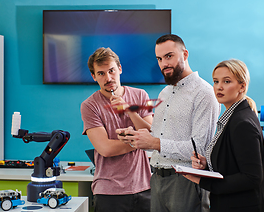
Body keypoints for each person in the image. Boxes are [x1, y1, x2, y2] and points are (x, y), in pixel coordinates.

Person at [117, 34, 220, 212]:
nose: (164, 64)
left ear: (185, 54)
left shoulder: (204, 93)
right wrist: (137, 138)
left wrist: (155, 143)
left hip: (186, 181)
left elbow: (200, 149)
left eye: (169, 56)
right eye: (159, 59)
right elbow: (157, 141)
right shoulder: (165, 93)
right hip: (157, 179)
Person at [184, 59, 264, 212]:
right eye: (216, 81)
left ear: (242, 86)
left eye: (227, 81)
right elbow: (233, 163)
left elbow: (251, 177)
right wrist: (207, 165)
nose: (219, 87)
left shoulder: (242, 123)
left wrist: (203, 181)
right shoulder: (232, 117)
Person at [80, 47, 153, 212]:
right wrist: (140, 141)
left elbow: (152, 137)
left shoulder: (141, 95)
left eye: (111, 71)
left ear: (119, 69)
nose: (108, 78)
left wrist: (129, 110)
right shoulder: (89, 106)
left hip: (144, 187)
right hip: (108, 191)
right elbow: (105, 149)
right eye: (101, 73)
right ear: (94, 76)